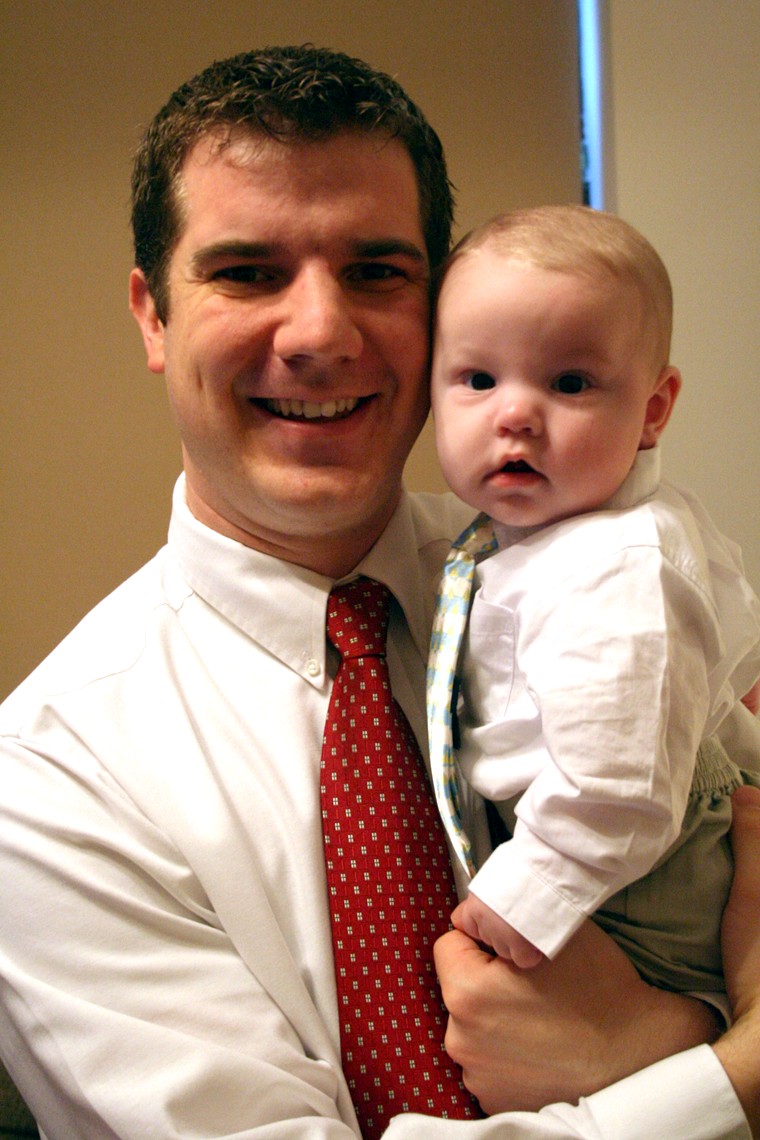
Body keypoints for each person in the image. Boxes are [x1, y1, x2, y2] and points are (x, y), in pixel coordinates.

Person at [0, 46, 759, 1139]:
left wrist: (658, 1037)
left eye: (376, 272)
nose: (320, 332)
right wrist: (718, 1070)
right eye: (247, 272)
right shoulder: (50, 779)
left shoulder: (593, 580)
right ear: (153, 316)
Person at [428, 205, 760, 989]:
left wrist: (524, 897)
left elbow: (621, 788)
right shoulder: (536, 534)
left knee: (617, 1026)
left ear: (652, 410)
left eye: (570, 382)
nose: (514, 414)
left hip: (641, 873)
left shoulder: (620, 565)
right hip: (592, 841)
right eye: (479, 380)